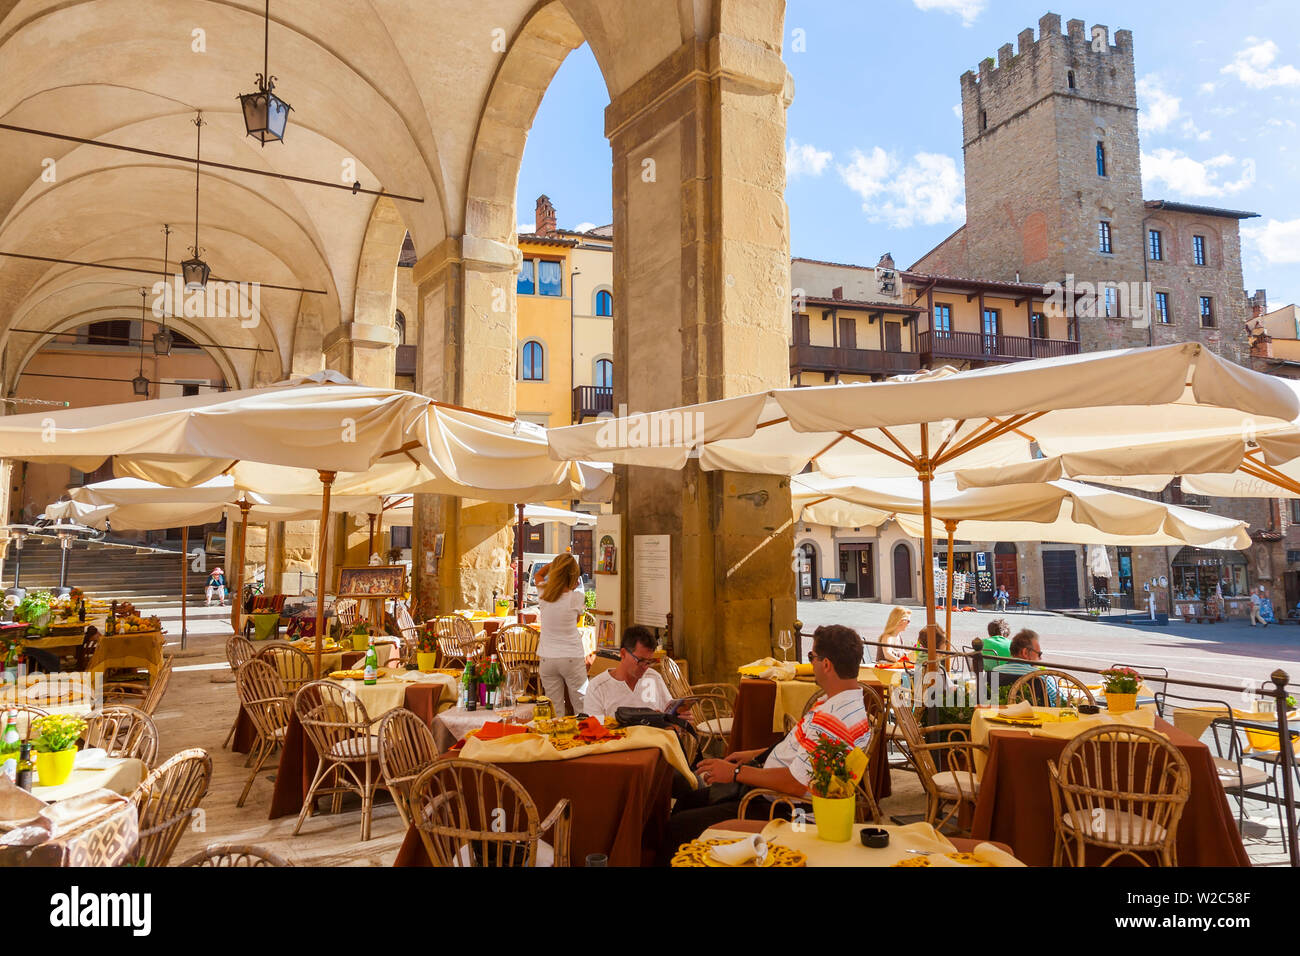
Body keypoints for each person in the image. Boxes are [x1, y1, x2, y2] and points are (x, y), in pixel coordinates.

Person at [663, 625, 873, 859]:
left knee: (678, 826)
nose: (810, 663)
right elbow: (799, 748)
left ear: (826, 665)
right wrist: (754, 754)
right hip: (770, 792)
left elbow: (796, 783)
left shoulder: (834, 720)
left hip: (789, 810)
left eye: (812, 657)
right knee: (686, 801)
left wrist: (735, 772)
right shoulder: (840, 703)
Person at [536, 553, 587, 716]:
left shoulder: (544, 593)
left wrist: (553, 565)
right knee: (581, 705)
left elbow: (538, 574)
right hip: (571, 655)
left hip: (547, 656)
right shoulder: (576, 597)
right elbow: (577, 619)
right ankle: (584, 738)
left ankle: (557, 739)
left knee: (555, 709)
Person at [584, 625, 674, 717]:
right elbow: (593, 728)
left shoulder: (654, 678)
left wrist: (679, 718)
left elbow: (670, 714)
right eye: (640, 660)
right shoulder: (598, 687)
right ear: (623, 653)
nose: (645, 667)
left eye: (649, 662)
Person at [992, 629, 1057, 704]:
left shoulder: (994, 672)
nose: (1040, 658)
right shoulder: (1042, 677)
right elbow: (1063, 703)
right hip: (1036, 715)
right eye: (1039, 654)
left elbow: (983, 701)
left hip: (999, 714)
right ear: (1025, 652)